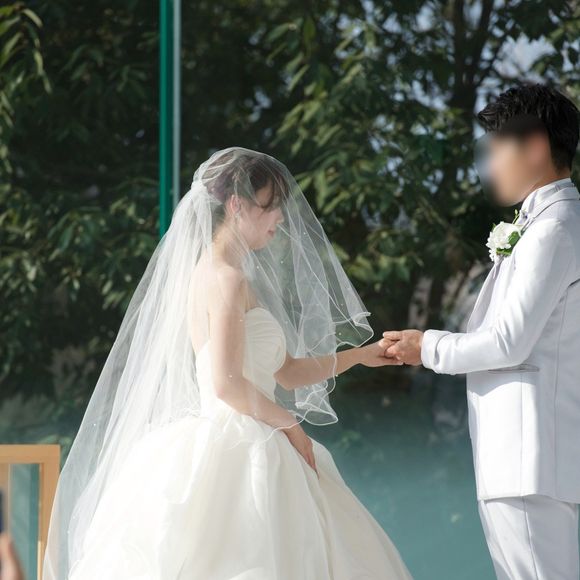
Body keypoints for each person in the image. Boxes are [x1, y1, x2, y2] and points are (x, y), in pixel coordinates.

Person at [43, 148, 412, 579]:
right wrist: (292, 428)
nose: (280, 218)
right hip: (241, 440)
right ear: (237, 206)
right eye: (270, 206)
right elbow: (225, 383)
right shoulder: (225, 278)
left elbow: (287, 372)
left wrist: (363, 355)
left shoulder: (226, 274)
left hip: (250, 428)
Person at [382, 84, 580, 579]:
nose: (489, 166)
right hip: (515, 459)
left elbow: (509, 341)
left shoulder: (554, 228)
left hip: (528, 458)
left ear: (535, 146)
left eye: (495, 150)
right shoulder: (543, 224)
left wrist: (426, 346)